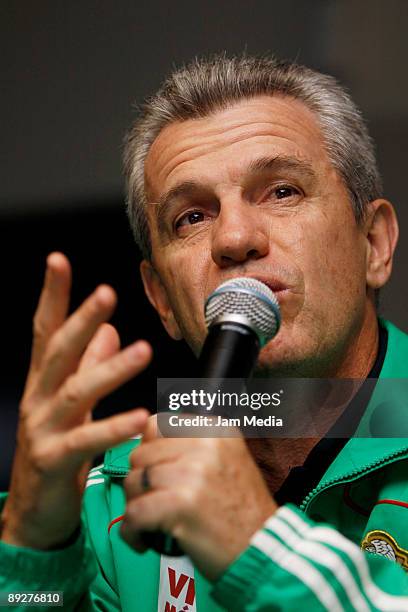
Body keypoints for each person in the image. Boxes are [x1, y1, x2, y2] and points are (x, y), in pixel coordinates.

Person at [1, 54, 408, 611]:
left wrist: (253, 543)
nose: (234, 238)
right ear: (163, 300)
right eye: (191, 217)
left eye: (282, 191)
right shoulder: (113, 501)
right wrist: (33, 547)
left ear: (375, 245)